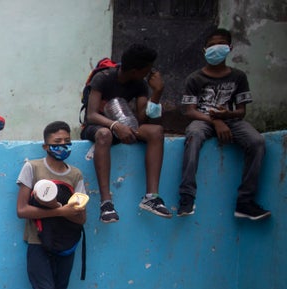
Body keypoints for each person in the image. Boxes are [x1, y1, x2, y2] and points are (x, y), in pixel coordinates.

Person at [16, 121, 87, 289]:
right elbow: (22, 210)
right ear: (46, 145)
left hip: (67, 247)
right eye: (57, 142)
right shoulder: (32, 168)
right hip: (37, 244)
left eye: (67, 141)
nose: (63, 146)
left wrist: (66, 211)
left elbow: (81, 216)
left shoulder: (77, 174)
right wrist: (60, 211)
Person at [178, 28, 270, 220]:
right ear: (204, 50)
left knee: (257, 142)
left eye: (219, 45)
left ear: (230, 48)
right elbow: (190, 111)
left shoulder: (238, 77)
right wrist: (215, 120)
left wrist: (227, 115)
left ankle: (245, 202)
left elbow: (241, 111)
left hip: (231, 121)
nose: (215, 49)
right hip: (202, 120)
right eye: (211, 46)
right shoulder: (194, 78)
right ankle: (186, 196)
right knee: (193, 136)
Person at [80, 44, 171, 223]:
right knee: (104, 134)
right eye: (147, 69)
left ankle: (151, 197)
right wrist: (115, 126)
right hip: (98, 126)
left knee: (156, 132)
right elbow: (91, 115)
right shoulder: (103, 78)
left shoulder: (140, 84)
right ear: (136, 70)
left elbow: (143, 119)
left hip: (126, 124)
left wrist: (157, 92)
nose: (150, 72)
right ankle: (106, 204)